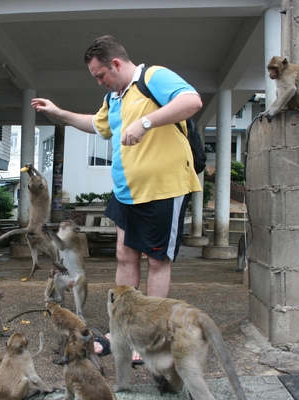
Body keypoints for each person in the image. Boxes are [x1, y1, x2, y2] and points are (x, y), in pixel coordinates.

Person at [32, 35, 202, 356]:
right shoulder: (114, 99)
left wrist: (146, 122)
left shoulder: (153, 77)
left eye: (101, 75)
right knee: (125, 256)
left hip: (163, 190)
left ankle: (150, 337)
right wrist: (58, 111)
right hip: (126, 194)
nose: (99, 82)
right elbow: (96, 126)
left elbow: (191, 101)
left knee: (157, 260)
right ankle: (121, 331)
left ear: (116, 64)